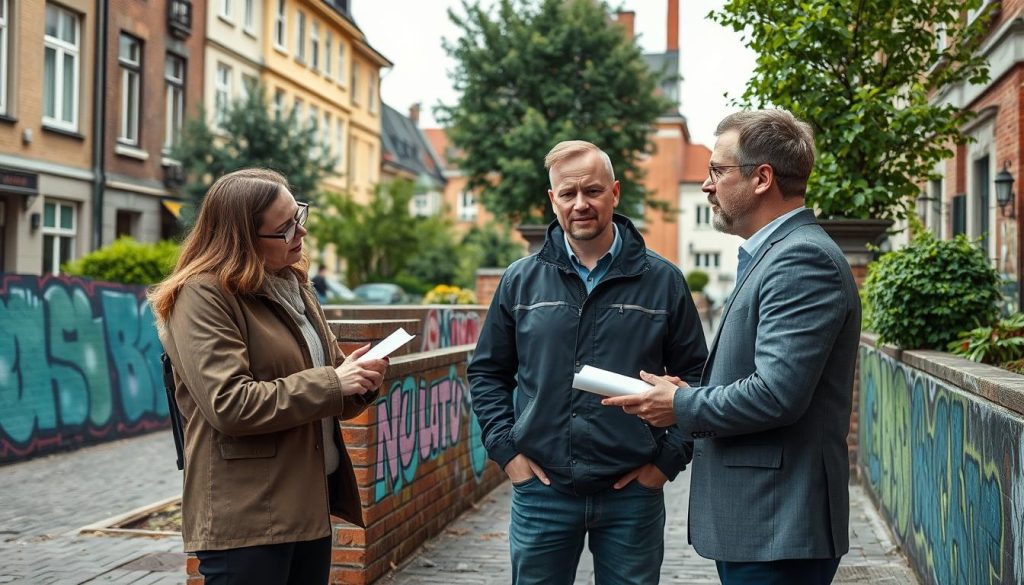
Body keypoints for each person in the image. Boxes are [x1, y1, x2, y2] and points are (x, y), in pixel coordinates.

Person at [604, 109, 860, 585]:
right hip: (763, 522)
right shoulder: (775, 254)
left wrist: (679, 404)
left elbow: (776, 394)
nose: (707, 186)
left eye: (717, 171)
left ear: (762, 178)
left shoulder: (801, 260)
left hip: (778, 524)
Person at [468, 140, 708, 585]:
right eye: (568, 193)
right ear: (553, 199)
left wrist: (665, 464)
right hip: (541, 490)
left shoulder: (662, 281)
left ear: (615, 193)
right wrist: (508, 453)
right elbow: (487, 372)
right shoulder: (520, 280)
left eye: (593, 191)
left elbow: (697, 377)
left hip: (632, 492)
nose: (581, 204)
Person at [149, 168, 388, 585]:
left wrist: (358, 381)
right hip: (248, 517)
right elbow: (231, 405)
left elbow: (329, 379)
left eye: (299, 216)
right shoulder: (203, 295)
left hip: (307, 505)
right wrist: (336, 382)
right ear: (241, 238)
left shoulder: (293, 284)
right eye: (284, 228)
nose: (301, 233)